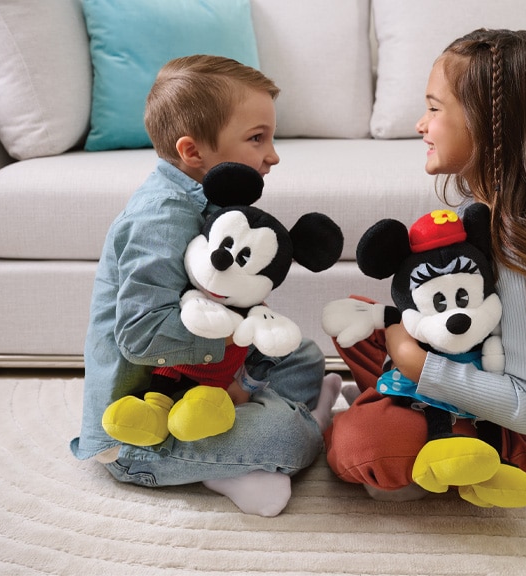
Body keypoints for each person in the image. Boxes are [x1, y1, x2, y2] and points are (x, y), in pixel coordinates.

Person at [323, 29, 526, 504]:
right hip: (479, 376)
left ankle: (392, 416)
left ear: (487, 125)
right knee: (356, 318)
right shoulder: (482, 213)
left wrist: (415, 363)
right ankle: (396, 406)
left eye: (434, 108)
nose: (421, 124)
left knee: (358, 445)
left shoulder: (520, 248)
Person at [70, 55, 341, 517]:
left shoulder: (208, 198)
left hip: (201, 380)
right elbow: (138, 335)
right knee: (288, 438)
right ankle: (288, 433)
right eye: (257, 138)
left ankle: (243, 435)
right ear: (193, 152)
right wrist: (235, 335)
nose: (273, 155)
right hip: (145, 429)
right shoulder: (161, 217)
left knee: (304, 355)